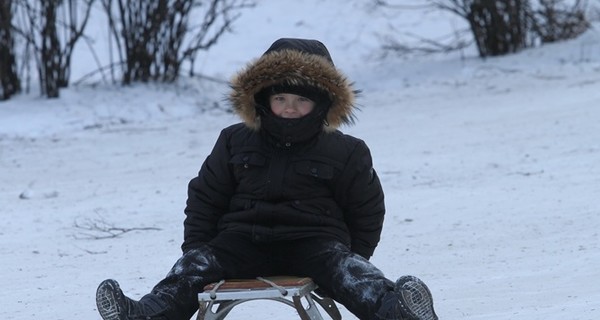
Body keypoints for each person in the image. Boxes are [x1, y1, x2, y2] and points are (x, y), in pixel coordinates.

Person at [96, 38, 438, 320]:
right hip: (242, 240)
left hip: (314, 243)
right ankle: (142, 315)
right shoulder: (235, 139)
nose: (290, 108)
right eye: (281, 99)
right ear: (263, 100)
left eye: (301, 100)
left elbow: (366, 209)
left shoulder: (346, 150)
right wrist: (198, 248)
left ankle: (399, 311)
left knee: (352, 273)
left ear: (321, 105)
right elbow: (206, 197)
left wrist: (355, 254)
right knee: (191, 269)